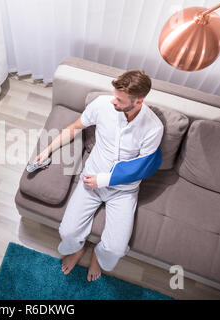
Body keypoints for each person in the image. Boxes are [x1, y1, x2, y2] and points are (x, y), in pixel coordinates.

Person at [34, 70, 164, 282]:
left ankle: (99, 255)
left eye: (120, 100)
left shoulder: (153, 127)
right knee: (67, 233)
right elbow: (75, 127)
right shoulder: (103, 105)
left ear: (139, 101)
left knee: (116, 249)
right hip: (89, 179)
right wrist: (47, 150)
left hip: (123, 191)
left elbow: (142, 167)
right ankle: (78, 249)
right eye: (115, 95)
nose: (114, 101)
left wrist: (104, 180)